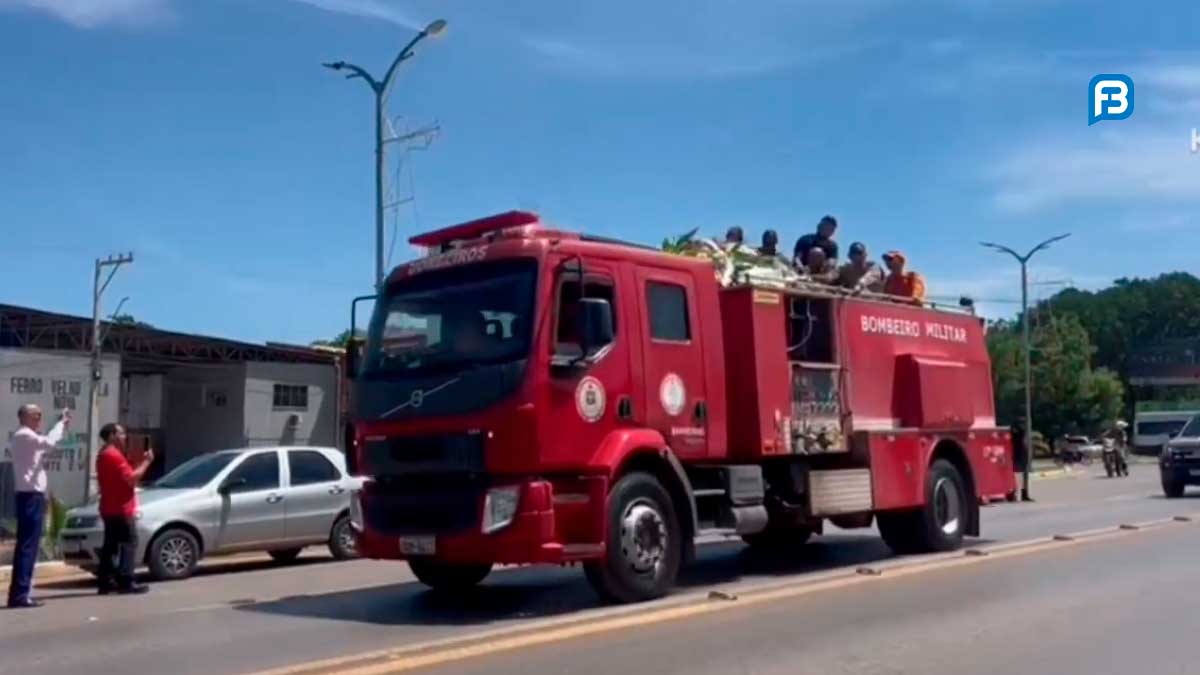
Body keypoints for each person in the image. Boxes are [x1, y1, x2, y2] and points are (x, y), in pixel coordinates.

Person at [7, 404, 69, 609]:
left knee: (28, 547)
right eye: (35, 415)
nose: (39, 419)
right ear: (23, 417)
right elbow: (49, 443)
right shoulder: (25, 435)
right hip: (29, 497)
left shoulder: (27, 437)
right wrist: (60, 425)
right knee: (27, 547)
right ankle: (20, 595)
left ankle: (20, 593)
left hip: (32, 496)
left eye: (40, 415)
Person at [96, 423, 153, 595]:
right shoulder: (114, 455)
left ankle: (105, 582)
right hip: (121, 508)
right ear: (112, 435)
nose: (124, 437)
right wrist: (146, 462)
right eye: (121, 433)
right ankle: (126, 581)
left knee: (110, 546)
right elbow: (132, 479)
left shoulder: (102, 455)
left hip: (109, 507)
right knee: (129, 543)